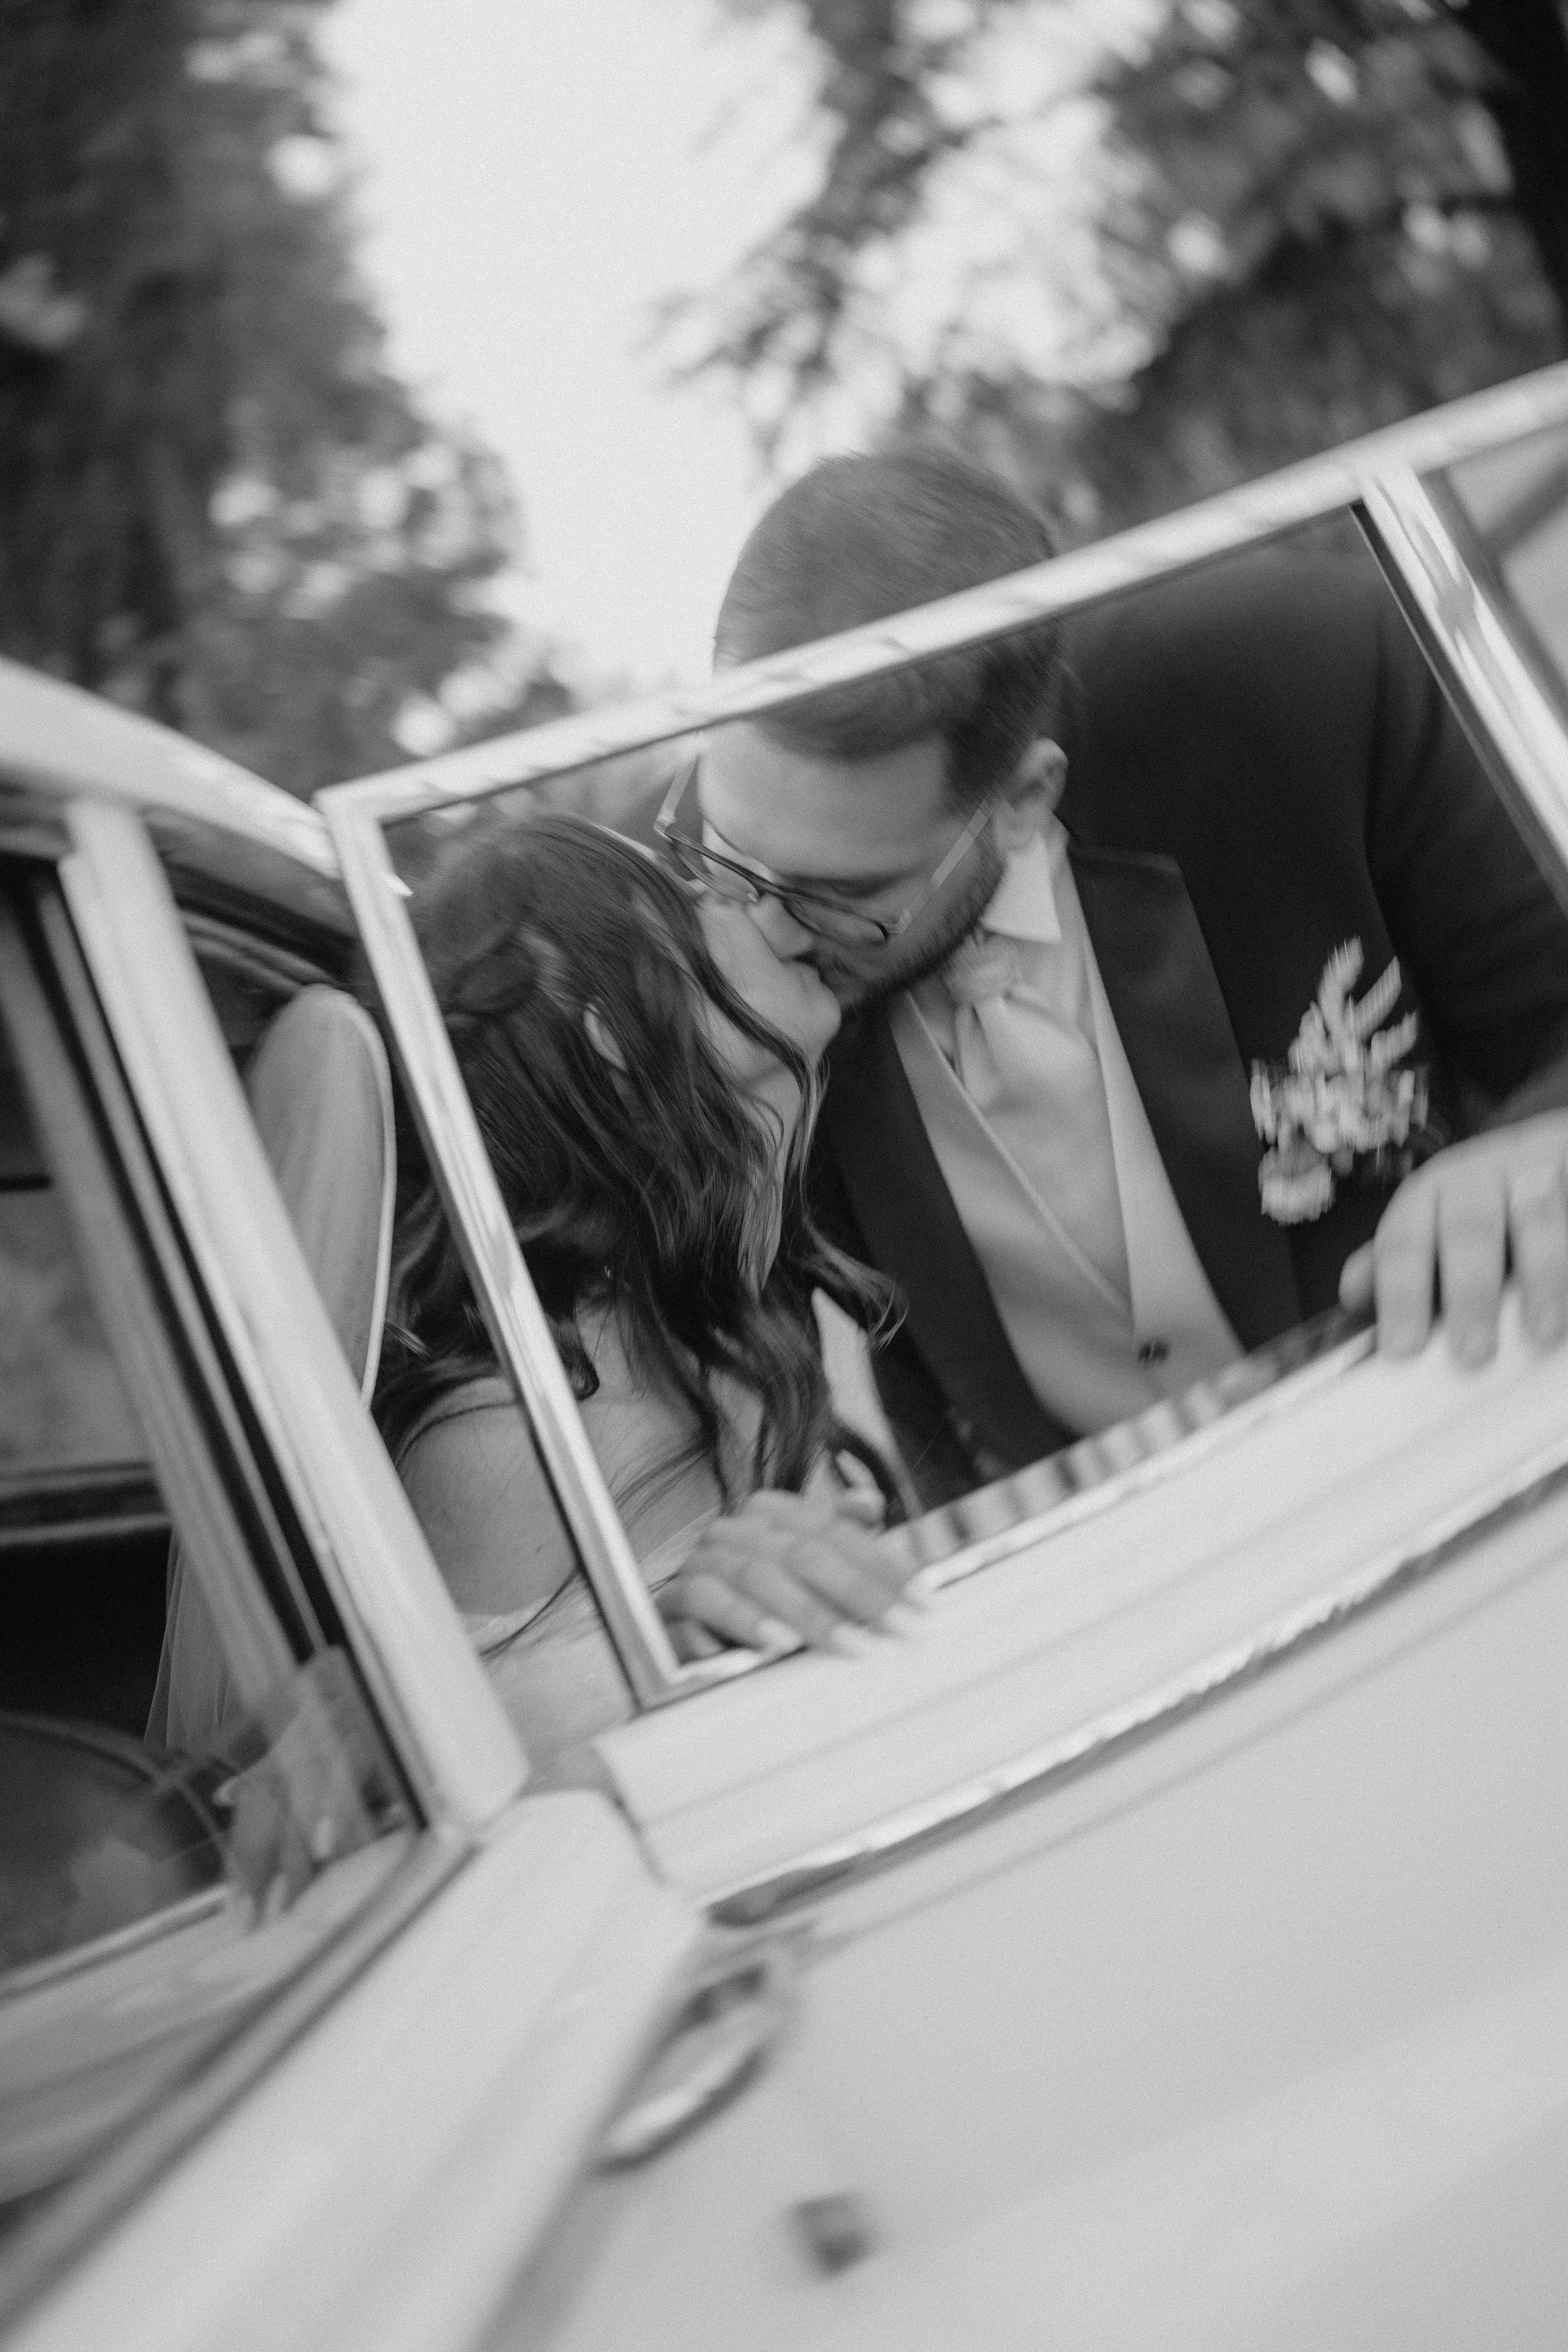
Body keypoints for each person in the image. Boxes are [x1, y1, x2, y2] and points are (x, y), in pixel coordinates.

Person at [655, 448, 1568, 1505]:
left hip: (1458, 1436)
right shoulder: (662, 930)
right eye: (724, 852)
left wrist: (1535, 1150)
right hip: (1093, 1575)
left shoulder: (1299, 684)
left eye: (837, 893)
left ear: (1022, 797)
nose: (756, 929)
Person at [376, 813, 915, 1761]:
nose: (732, 897)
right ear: (617, 1036)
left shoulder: (776, 1300)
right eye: (683, 898)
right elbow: (466, 1773)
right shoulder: (513, 1435)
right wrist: (672, 1635)